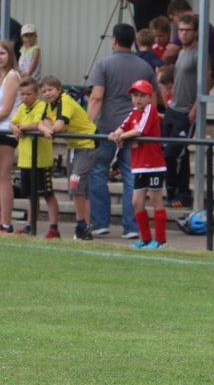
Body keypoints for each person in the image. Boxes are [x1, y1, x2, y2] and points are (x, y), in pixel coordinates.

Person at [87, 23, 160, 239]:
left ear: (114, 40)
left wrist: (88, 125)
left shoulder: (103, 65)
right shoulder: (145, 67)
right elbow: (153, 102)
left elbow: (96, 97)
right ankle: (132, 226)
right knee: (132, 176)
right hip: (136, 130)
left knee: (98, 171)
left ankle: (100, 223)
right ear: (134, 41)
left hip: (108, 128)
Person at [108, 79, 168, 249]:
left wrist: (121, 136)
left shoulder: (150, 110)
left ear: (150, 97)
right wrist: (116, 134)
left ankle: (161, 241)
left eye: (142, 96)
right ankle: (146, 239)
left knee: (155, 199)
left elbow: (139, 130)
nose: (138, 99)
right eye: (135, 95)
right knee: (136, 202)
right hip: (139, 164)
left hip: (153, 164)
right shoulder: (134, 112)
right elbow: (123, 126)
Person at [38, 76, 98, 241]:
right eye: (43, 91)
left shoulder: (65, 101)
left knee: (75, 182)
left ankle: (81, 225)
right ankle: (85, 228)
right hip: (74, 146)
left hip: (87, 143)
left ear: (59, 89)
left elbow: (59, 125)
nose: (47, 94)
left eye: (50, 90)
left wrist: (50, 128)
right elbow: (41, 122)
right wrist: (45, 128)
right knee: (79, 190)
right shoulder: (49, 105)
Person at [162, 14, 208, 208]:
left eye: (187, 30)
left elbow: (205, 84)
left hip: (186, 112)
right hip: (173, 110)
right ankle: (171, 191)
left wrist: (195, 109)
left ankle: (184, 193)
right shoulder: (181, 53)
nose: (183, 34)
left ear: (195, 32)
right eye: (180, 30)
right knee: (165, 152)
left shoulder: (199, 54)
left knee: (177, 153)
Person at [10, 76, 59, 238]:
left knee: (48, 193)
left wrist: (20, 127)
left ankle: (53, 227)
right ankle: (30, 226)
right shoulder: (22, 108)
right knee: (31, 196)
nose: (25, 97)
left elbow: (36, 123)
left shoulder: (42, 105)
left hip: (40, 160)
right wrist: (14, 127)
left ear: (36, 94)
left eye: (28, 94)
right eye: (22, 94)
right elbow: (13, 122)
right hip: (25, 160)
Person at [162, 0, 214, 89]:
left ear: (175, 14)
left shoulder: (189, 24)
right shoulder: (204, 23)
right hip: (207, 75)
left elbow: (169, 54)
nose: (174, 24)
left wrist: (160, 63)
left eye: (172, 20)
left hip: (196, 76)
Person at [0, 39, 21, 234]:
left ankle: (5, 223)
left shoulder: (12, 76)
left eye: (2, 53)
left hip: (5, 131)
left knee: (3, 176)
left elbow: (6, 110)